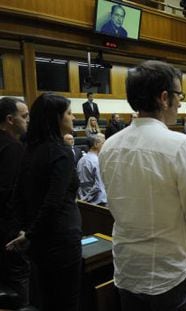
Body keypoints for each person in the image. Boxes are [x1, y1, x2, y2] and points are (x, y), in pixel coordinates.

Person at [99, 60, 186, 310]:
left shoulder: (109, 145)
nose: (181, 103)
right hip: (170, 271)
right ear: (164, 98)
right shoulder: (180, 144)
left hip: (127, 269)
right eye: (179, 95)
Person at [7, 93, 82, 311]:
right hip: (62, 240)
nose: (73, 117)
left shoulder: (30, 150)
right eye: (69, 113)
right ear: (56, 118)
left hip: (38, 241)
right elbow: (53, 203)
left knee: (47, 299)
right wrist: (29, 234)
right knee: (67, 301)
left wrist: (25, 232)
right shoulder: (62, 153)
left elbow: (17, 196)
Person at [0, 97, 30, 308]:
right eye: (25, 116)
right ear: (10, 119)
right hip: (9, 230)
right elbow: (9, 193)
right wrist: (20, 229)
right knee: (19, 282)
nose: (28, 121)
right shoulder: (13, 148)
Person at [77, 134, 107, 206]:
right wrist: (85, 199)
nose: (105, 145)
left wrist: (83, 199)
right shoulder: (96, 161)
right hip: (98, 202)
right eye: (103, 143)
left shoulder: (81, 160)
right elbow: (98, 186)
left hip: (84, 200)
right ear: (96, 144)